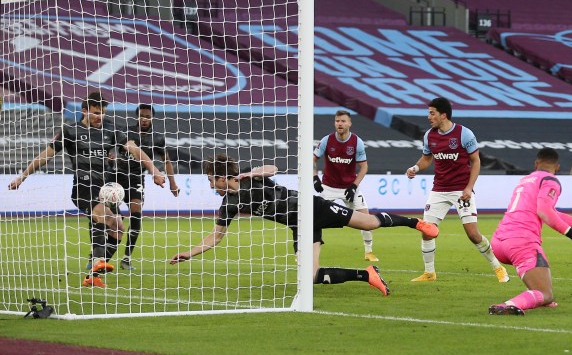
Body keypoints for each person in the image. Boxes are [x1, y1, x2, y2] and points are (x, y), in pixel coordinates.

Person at [169, 153, 438, 296]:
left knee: (368, 223)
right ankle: (367, 274)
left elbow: (273, 168)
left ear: (222, 176)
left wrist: (249, 172)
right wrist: (188, 253)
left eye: (210, 180)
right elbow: (215, 237)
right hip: (299, 225)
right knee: (310, 276)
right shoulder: (229, 205)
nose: (210, 186)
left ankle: (416, 223)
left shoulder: (252, 180)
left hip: (313, 207)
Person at [8, 91, 167, 288]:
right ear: (84, 111)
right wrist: (22, 176)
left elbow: (134, 148)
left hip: (105, 186)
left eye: (102, 113)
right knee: (102, 215)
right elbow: (45, 155)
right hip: (83, 186)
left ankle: (94, 272)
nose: (99, 117)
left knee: (118, 229)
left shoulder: (111, 131)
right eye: (95, 112)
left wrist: (154, 170)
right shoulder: (70, 131)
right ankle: (98, 260)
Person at [488, 148, 572, 315]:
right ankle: (505, 306)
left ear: (536, 164)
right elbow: (545, 211)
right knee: (546, 294)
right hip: (521, 242)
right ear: (557, 167)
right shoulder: (550, 180)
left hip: (499, 242)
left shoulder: (525, 180)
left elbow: (551, 212)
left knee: (542, 290)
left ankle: (536, 296)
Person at [405, 97, 509, 283]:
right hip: (439, 189)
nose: (429, 117)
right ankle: (429, 273)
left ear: (443, 114)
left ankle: (498, 267)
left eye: (432, 113)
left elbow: (476, 161)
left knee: (472, 234)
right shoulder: (430, 135)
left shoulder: (464, 134)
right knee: (427, 230)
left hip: (461, 190)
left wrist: (469, 187)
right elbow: (427, 158)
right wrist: (415, 168)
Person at [114, 103, 180, 271]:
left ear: (152, 118)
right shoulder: (125, 132)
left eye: (148, 117)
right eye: (142, 116)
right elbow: (110, 149)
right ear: (137, 117)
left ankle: (127, 258)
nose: (144, 119)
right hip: (116, 176)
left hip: (136, 178)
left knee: (136, 215)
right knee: (111, 217)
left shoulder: (157, 138)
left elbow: (167, 161)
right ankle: (97, 254)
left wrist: (172, 183)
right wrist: (110, 156)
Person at [313, 110, 377, 262]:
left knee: (366, 219)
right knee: (313, 218)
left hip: (349, 187)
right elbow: (312, 160)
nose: (339, 124)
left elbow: (364, 167)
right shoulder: (327, 140)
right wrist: (315, 178)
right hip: (328, 187)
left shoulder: (357, 142)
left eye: (343, 121)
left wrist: (354, 186)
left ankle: (369, 252)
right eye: (337, 121)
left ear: (349, 123)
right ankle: (306, 252)